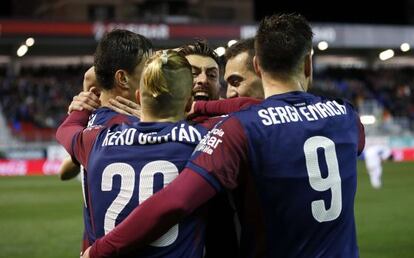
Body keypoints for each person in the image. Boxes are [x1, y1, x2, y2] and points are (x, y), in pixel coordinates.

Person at [83, 13, 365, 258]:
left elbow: (176, 201)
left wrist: (99, 250)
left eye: (213, 75)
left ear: (257, 66)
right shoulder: (346, 116)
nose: (202, 81)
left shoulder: (237, 129)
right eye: (191, 74)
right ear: (307, 64)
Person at [57, 50, 224, 257]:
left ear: (138, 97)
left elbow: (66, 130)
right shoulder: (208, 140)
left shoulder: (97, 138)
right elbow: (254, 109)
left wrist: (82, 105)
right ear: (190, 102)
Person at [58, 30, 153, 181]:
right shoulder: (134, 128)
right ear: (122, 78)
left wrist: (82, 112)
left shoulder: (90, 127)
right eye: (147, 70)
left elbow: (64, 172)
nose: (154, 76)